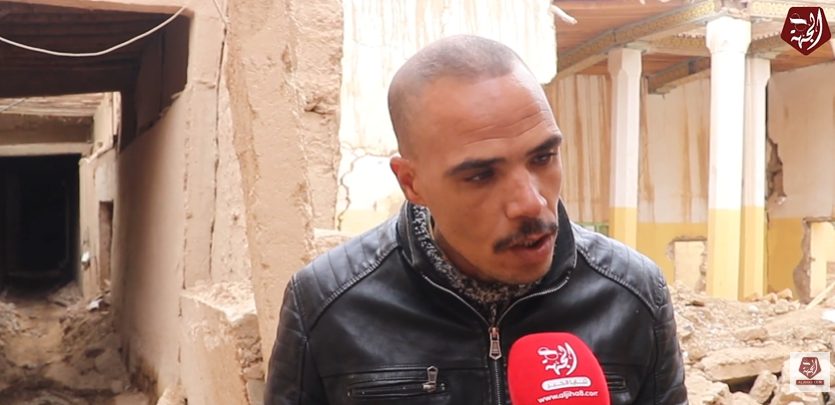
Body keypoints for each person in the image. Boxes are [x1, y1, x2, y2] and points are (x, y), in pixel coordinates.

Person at [264, 34, 688, 405]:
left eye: (543, 157)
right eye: (481, 175)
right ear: (412, 183)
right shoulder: (327, 303)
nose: (531, 203)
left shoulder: (633, 294)